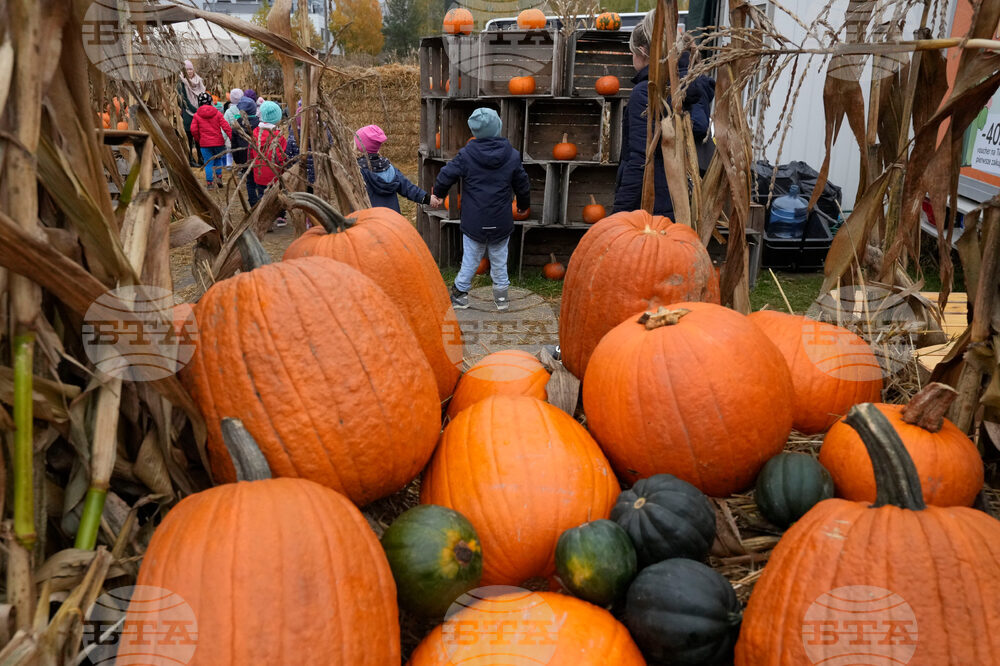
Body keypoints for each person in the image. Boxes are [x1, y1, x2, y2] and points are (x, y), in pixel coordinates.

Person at [613, 10, 716, 216]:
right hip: (686, 206)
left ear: (642, 52)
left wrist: (619, 215)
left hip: (650, 206)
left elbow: (641, 160)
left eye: (632, 53)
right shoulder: (695, 86)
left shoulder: (646, 93)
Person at [430, 108, 530, 312]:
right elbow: (523, 183)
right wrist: (523, 205)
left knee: (471, 259)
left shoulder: (466, 154)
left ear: (474, 132)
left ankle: (460, 295)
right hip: (501, 220)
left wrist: (439, 194)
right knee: (499, 259)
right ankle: (501, 298)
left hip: (474, 221)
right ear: (498, 127)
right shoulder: (511, 155)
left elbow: (446, 174)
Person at [354, 124, 428, 213]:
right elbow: (407, 187)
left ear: (359, 146)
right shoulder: (388, 167)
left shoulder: (358, 170)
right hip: (392, 220)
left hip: (370, 221)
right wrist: (426, 198)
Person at [249, 100, 287, 218]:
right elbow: (282, 157)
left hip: (259, 173)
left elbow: (251, 154)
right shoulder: (279, 137)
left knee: (262, 195)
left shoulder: (254, 134)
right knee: (279, 195)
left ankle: (264, 217)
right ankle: (280, 217)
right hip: (275, 174)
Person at [190, 92, 232, 189]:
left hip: (205, 144)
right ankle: (219, 178)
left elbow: (193, 129)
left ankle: (209, 184)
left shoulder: (197, 115)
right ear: (210, 102)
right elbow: (226, 126)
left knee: (208, 163)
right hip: (218, 143)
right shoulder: (217, 113)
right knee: (218, 160)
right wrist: (231, 138)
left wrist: (198, 139)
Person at [178, 60, 206, 167]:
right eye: (187, 69)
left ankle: (201, 158)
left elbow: (203, 96)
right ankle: (190, 159)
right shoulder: (181, 83)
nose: (189, 71)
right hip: (188, 114)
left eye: (190, 69)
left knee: (198, 137)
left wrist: (202, 109)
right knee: (189, 137)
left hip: (199, 113)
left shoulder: (198, 81)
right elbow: (184, 101)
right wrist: (196, 111)